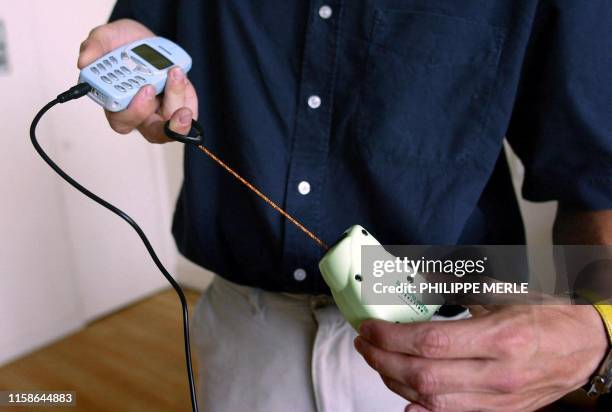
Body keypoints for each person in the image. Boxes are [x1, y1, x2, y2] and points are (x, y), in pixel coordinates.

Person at [77, 1, 612, 411]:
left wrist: (602, 325)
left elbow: (599, 175)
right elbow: (148, 28)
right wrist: (137, 39)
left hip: (453, 340)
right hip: (245, 333)